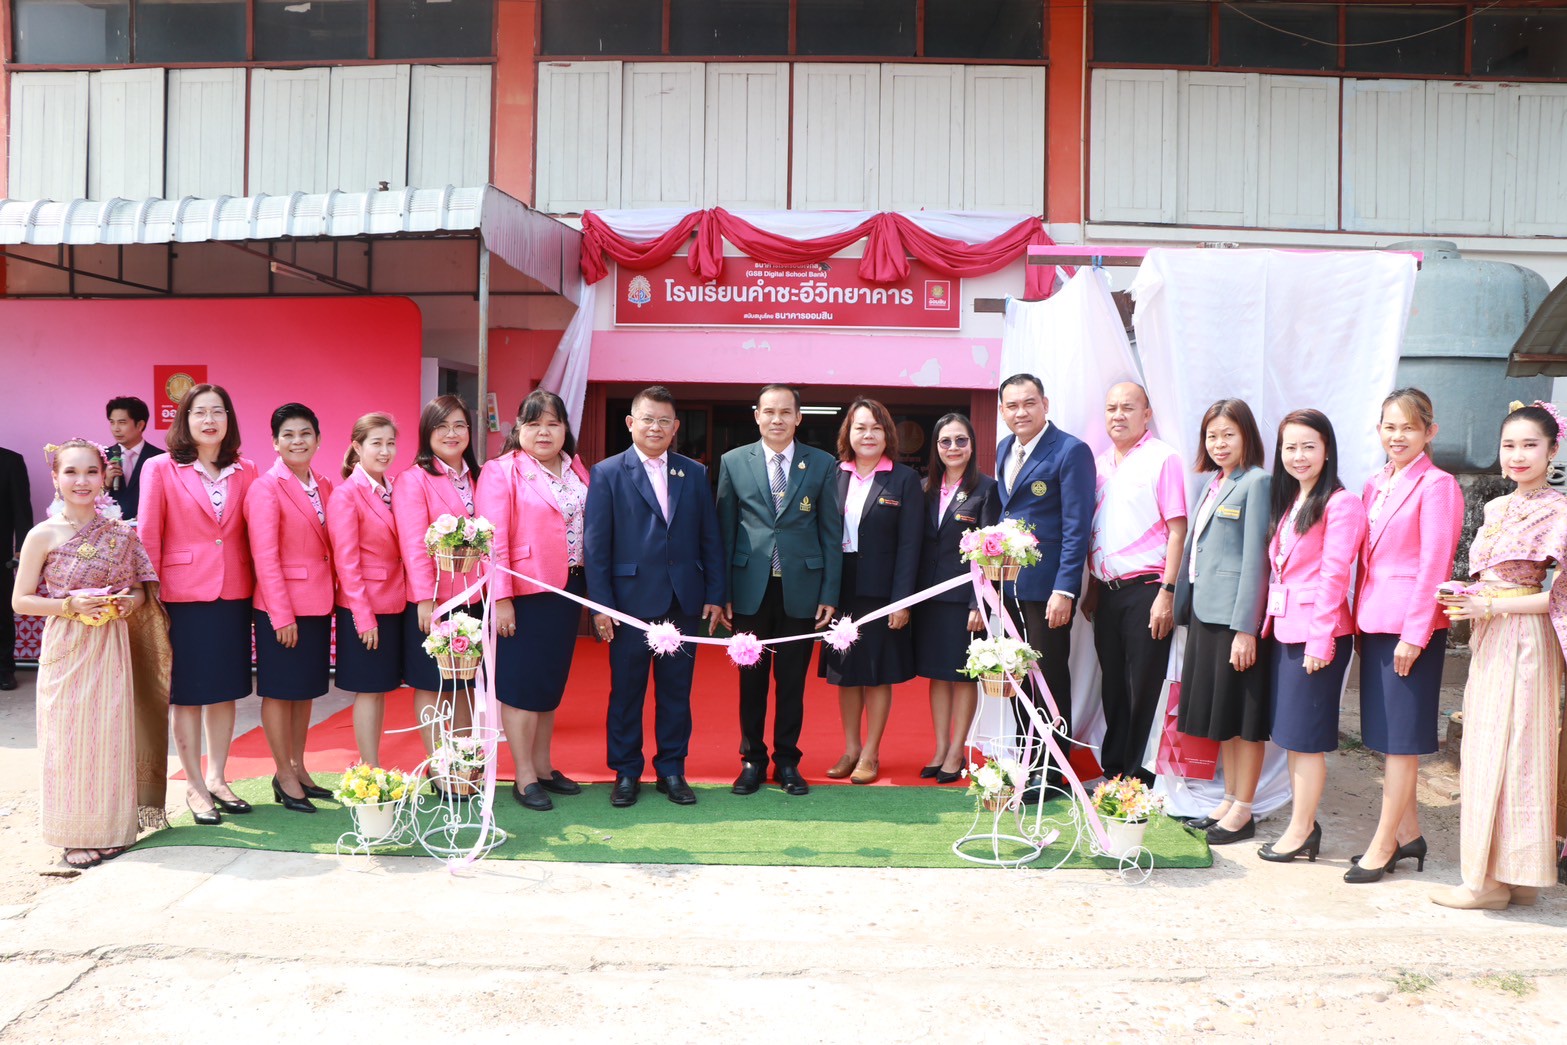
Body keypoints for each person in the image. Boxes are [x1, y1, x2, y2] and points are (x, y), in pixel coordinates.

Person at [1432, 401, 1567, 910]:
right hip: (1492, 632)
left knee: (1516, 749)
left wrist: (1490, 604)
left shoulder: (1559, 511)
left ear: (1553, 450)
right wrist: (1470, 596)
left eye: (1530, 445)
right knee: (1494, 746)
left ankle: (1489, 883)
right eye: (1509, 445)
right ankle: (1513, 876)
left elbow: (1560, 596)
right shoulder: (1495, 507)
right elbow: (1495, 578)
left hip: (1526, 637)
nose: (1517, 455)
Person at [11, 440, 160, 867]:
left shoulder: (121, 533)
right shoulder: (42, 534)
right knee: (69, 740)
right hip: (66, 647)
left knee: (109, 738)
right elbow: (21, 601)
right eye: (71, 472)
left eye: (91, 471)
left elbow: (139, 590)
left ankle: (114, 829)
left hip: (111, 645)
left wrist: (126, 604)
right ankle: (72, 834)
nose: (82, 481)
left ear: (104, 477)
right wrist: (69, 605)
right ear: (55, 478)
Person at [585, 386, 725, 808]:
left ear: (676, 427)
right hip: (628, 604)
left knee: (676, 693)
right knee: (627, 692)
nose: (655, 427)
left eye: (664, 421)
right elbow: (596, 546)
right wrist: (601, 606)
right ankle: (626, 771)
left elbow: (710, 537)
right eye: (647, 419)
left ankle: (672, 770)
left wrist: (715, 592)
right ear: (631, 423)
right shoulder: (608, 473)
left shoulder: (693, 473)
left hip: (683, 600)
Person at [1348, 388, 1463, 884]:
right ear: (1379, 430)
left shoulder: (1438, 485)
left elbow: (1435, 564)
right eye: (1390, 427)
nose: (1397, 436)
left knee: (1400, 742)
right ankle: (1409, 833)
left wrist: (1415, 634)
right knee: (1386, 737)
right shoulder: (1375, 483)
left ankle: (1384, 844)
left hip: (1409, 629)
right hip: (1374, 621)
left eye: (1409, 428)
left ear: (1429, 432)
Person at [138, 384, 258, 825]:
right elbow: (148, 534)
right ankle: (192, 783)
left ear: (229, 419)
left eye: (218, 412)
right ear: (184, 420)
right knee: (187, 694)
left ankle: (218, 777)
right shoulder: (160, 468)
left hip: (234, 592)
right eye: (199, 412)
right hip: (182, 595)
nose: (209, 420)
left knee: (225, 690)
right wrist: (149, 595)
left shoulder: (247, 469)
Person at [716, 384, 842, 797]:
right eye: (769, 411)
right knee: (750, 682)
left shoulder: (821, 464)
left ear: (798, 417)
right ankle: (752, 760)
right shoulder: (734, 461)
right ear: (756, 415)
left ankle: (787, 760)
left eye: (785, 412)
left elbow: (831, 532)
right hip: (748, 589)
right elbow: (724, 531)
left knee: (791, 683)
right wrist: (722, 591)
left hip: (801, 589)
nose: (777, 419)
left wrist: (829, 593)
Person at [1257, 410, 1367, 864]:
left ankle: (1302, 829)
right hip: (1286, 630)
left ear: (1327, 450)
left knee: (1305, 738)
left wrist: (1321, 642)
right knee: (1291, 735)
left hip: (1318, 636)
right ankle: (1303, 824)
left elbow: (1334, 576)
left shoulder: (1342, 503)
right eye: (1290, 447)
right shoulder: (1292, 501)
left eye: (1308, 446)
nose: (1298, 456)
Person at [476, 390, 591, 812]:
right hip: (525, 592)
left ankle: (543, 766)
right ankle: (523, 775)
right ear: (519, 428)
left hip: (568, 589)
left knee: (548, 683)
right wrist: (502, 599)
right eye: (534, 423)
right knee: (521, 686)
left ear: (565, 429)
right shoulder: (501, 471)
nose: (544, 432)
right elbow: (492, 540)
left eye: (553, 423)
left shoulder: (575, 466)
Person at [1172, 398, 1271, 846]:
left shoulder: (1257, 482)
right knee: (1223, 715)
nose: (1219, 443)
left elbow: (1256, 560)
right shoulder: (1214, 483)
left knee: (1243, 719)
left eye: (1229, 434)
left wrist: (1246, 628)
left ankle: (1243, 809)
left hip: (1233, 619)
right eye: (1212, 436)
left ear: (1246, 436)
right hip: (1205, 612)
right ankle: (1229, 800)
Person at [1082, 382, 1187, 788]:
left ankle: (1140, 777)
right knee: (1112, 685)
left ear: (1147, 414)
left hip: (1148, 590)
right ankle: (1113, 769)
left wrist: (1167, 592)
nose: (1118, 415)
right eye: (1111, 408)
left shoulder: (1163, 459)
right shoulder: (1098, 464)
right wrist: (1092, 589)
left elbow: (1177, 530)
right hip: (1107, 594)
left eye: (1128, 407)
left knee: (1143, 684)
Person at [994, 373, 1094, 799]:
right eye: (1012, 405)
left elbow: (1077, 526)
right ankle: (1027, 761)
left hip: (1047, 589)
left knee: (1049, 679)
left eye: (1029, 403)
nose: (1021, 412)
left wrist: (1065, 590)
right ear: (1003, 410)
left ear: (1045, 404)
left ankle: (1054, 772)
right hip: (1009, 586)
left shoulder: (1070, 451)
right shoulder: (1005, 448)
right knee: (1018, 677)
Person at [819, 398, 923, 784]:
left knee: (877, 674)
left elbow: (910, 545)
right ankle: (850, 749)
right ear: (848, 433)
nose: (868, 435)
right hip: (840, 588)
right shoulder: (832, 474)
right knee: (846, 673)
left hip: (882, 592)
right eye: (860, 427)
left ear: (887, 434)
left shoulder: (904, 479)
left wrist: (901, 600)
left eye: (876, 428)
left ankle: (871, 753)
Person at [246, 403, 335, 813]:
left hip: (318, 603)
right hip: (281, 609)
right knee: (281, 692)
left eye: (305, 433)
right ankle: (282, 773)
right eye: (288, 435)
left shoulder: (325, 485)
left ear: (318, 439)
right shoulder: (265, 488)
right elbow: (265, 557)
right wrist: (281, 615)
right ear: (275, 443)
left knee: (304, 693)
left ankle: (299, 767)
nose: (297, 441)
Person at [391, 395, 483, 759]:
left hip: (475, 596)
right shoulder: (413, 480)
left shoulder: (479, 476)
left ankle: (462, 763)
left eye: (459, 425)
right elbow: (414, 545)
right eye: (441, 426)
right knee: (431, 683)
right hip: (436, 601)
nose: (451, 433)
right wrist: (425, 600)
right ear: (427, 432)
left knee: (465, 683)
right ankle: (438, 763)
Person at [914, 413, 998, 784]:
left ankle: (956, 750)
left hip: (965, 601)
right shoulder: (924, 488)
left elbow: (991, 552)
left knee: (963, 675)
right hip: (929, 596)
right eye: (945, 441)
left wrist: (979, 603)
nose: (953, 448)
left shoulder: (987, 489)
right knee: (937, 674)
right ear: (936, 447)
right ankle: (939, 747)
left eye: (960, 440)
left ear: (972, 445)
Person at [328, 412, 406, 768]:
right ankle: (370, 768)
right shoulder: (346, 495)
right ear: (357, 447)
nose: (385, 451)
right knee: (370, 690)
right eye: (376, 443)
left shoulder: (396, 488)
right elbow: (346, 564)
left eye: (390, 443)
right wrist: (363, 617)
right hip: (366, 608)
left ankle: (372, 764)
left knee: (382, 689)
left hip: (397, 601)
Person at [104, 396, 165, 521]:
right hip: (109, 528)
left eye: (122, 422)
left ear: (140, 425)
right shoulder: (103, 456)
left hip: (146, 526)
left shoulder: (159, 458)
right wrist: (106, 483)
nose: (116, 429)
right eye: (112, 422)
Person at [0, 443, 30, 691]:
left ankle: (4, 669)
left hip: (1, 554)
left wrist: (23, 548)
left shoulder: (10, 461)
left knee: (1, 613)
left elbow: (22, 510)